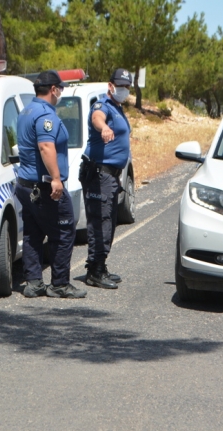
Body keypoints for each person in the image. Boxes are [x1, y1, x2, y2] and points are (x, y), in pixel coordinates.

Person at [16, 70, 87, 299]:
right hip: (44, 186)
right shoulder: (46, 115)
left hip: (26, 185)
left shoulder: (26, 110)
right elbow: (46, 147)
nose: (62, 93)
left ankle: (34, 282)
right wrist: (56, 178)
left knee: (33, 233)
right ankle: (59, 284)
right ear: (53, 89)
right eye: (61, 88)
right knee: (64, 230)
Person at [79, 68, 133, 289]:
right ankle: (94, 271)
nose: (124, 90)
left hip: (110, 175)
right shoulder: (102, 105)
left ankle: (101, 265)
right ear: (110, 86)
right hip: (98, 174)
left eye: (127, 86)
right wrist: (103, 128)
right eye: (120, 85)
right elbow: (96, 118)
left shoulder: (118, 108)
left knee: (109, 222)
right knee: (100, 223)